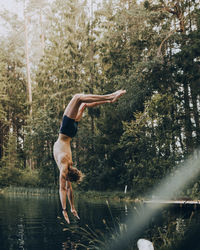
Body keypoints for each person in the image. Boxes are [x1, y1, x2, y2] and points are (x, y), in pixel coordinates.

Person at [53, 90, 126, 223]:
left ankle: (110, 100)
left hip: (71, 131)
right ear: (69, 175)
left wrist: (72, 208)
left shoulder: (68, 164)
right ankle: (110, 97)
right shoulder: (64, 166)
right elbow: (63, 189)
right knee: (78, 97)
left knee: (82, 103)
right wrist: (65, 209)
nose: (66, 181)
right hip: (66, 130)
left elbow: (69, 189)